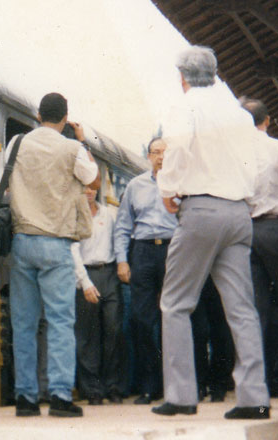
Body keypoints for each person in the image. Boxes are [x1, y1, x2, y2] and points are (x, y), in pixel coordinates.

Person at [153, 45, 270, 420]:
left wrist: (166, 188)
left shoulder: (185, 107)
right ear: (215, 73)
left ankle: (182, 395)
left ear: (182, 77)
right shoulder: (239, 115)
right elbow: (258, 164)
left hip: (200, 210)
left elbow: (176, 149)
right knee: (241, 309)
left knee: (175, 303)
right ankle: (254, 397)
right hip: (239, 213)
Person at [7, 92, 99, 418]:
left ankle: (25, 399)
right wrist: (81, 141)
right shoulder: (72, 148)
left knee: (24, 322)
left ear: (37, 115)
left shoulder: (16, 144)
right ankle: (60, 396)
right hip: (55, 242)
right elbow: (92, 178)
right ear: (64, 117)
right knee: (60, 321)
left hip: (21, 241)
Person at [241, 97, 278, 399]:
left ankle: (259, 390)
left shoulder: (235, 155)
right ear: (267, 121)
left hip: (247, 231)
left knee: (255, 311)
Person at [114, 135, 177, 403]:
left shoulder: (181, 184)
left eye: (165, 152)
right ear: (148, 156)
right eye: (155, 152)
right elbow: (123, 226)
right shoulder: (135, 186)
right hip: (143, 251)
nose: (160, 157)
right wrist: (122, 259)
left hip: (174, 250)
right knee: (141, 319)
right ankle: (149, 384)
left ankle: (174, 385)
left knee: (173, 318)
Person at [71, 182, 123, 404]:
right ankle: (92, 389)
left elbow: (117, 242)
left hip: (108, 273)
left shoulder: (108, 215)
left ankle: (113, 385)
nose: (89, 192)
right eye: (84, 187)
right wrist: (84, 282)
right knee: (87, 335)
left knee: (114, 329)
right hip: (85, 275)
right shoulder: (73, 216)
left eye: (92, 187)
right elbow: (72, 250)